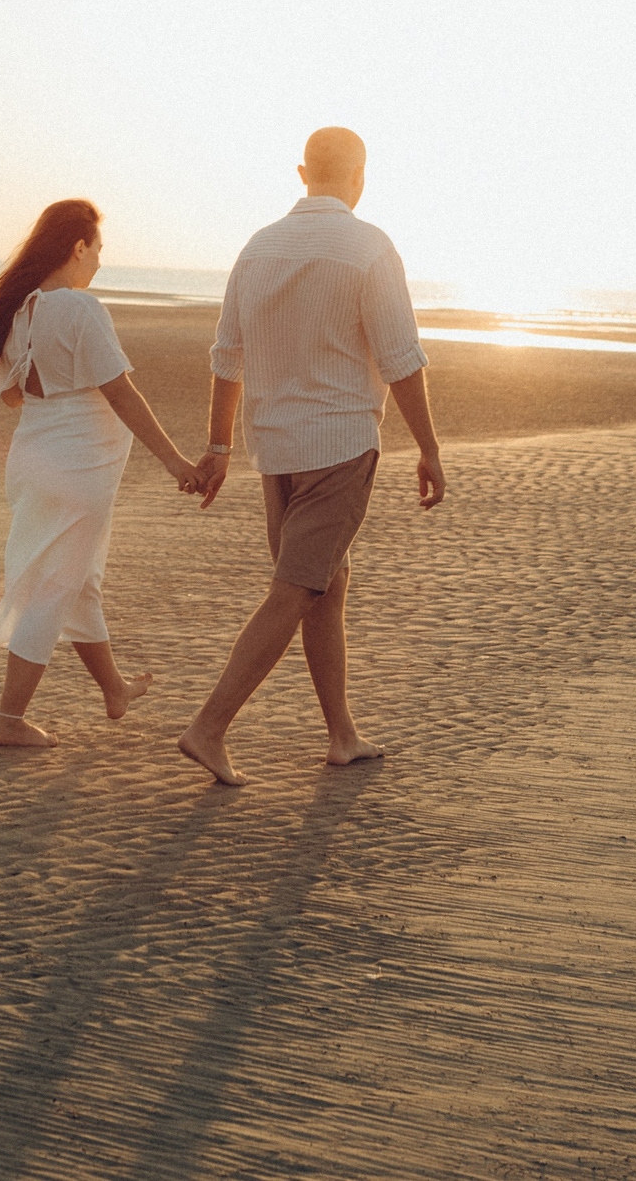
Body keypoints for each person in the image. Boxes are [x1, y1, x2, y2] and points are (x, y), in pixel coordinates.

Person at [177, 128, 445, 786]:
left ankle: (342, 735)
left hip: (274, 448)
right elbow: (401, 359)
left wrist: (219, 446)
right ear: (360, 177)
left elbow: (226, 356)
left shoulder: (258, 247)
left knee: (326, 584)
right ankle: (208, 727)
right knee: (297, 588)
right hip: (339, 445)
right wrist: (430, 447)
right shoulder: (370, 247)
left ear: (303, 172)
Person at [0, 200, 201, 748]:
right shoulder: (79, 309)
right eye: (98, 250)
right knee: (55, 587)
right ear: (78, 247)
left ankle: (114, 688)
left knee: (79, 579)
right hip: (79, 468)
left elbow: (12, 396)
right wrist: (174, 461)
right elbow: (120, 392)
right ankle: (9, 720)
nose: (99, 262)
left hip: (33, 459)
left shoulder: (19, 310)